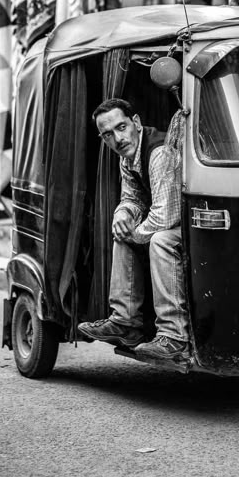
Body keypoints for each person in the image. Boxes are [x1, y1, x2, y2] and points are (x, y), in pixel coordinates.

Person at [78, 98, 189, 360]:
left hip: (194, 226)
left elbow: (165, 216)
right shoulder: (128, 156)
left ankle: (174, 336)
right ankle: (125, 322)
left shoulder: (158, 152)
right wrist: (122, 215)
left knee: (160, 239)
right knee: (124, 236)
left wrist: (135, 233)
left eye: (121, 127)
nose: (117, 139)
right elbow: (132, 198)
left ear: (135, 123)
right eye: (108, 134)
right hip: (174, 223)